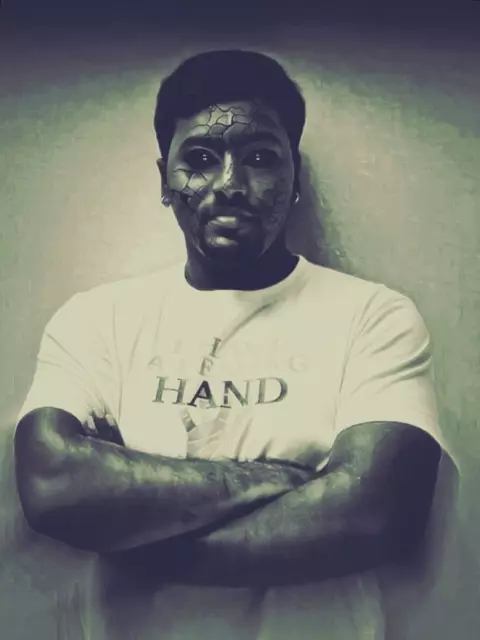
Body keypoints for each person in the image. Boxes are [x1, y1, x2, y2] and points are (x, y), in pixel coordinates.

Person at [14, 49, 444, 639]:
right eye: (199, 159)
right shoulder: (97, 319)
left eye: (261, 158)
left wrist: (127, 526)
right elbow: (52, 483)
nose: (231, 185)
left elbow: (375, 514)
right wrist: (290, 482)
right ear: (164, 180)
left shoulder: (373, 316)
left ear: (295, 177)